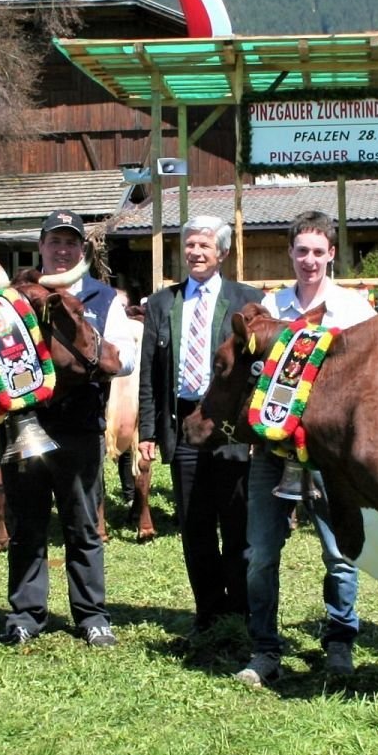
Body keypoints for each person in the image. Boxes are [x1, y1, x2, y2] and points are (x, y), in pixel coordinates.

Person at [237, 210, 377, 687]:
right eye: (301, 251)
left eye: (318, 252)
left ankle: (340, 642)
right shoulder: (269, 307)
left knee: (339, 554)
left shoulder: (355, 310)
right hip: (270, 454)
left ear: (331, 254)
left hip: (330, 458)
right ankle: (265, 648)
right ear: (290, 253)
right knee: (260, 553)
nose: (309, 260)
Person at [3, 209, 138, 647]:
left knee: (83, 524)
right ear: (40, 246)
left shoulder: (104, 299)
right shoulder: (13, 298)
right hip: (24, 427)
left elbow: (128, 360)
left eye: (71, 243)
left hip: (80, 427)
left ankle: (92, 615)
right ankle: (26, 614)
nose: (62, 250)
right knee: (26, 524)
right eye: (54, 242)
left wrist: (91, 362)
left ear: (83, 249)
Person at [139, 215, 264, 634]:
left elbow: (257, 372)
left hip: (229, 426)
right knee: (195, 525)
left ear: (222, 253)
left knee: (236, 522)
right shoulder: (161, 303)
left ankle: (241, 612)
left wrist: (255, 430)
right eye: (190, 244)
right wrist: (147, 432)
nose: (195, 252)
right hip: (184, 424)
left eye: (204, 246)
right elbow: (149, 374)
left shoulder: (246, 299)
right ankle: (208, 612)